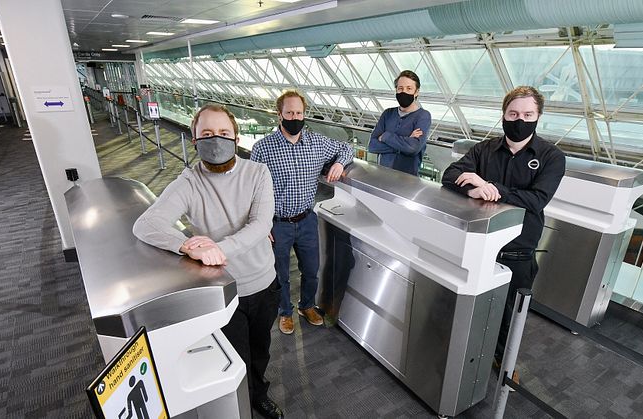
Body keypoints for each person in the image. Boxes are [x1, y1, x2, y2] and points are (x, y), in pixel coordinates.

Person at [132, 104, 284, 419]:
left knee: (260, 350)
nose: (216, 140)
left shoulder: (257, 173)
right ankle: (241, 405)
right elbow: (146, 225)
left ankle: (258, 394)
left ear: (236, 136)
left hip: (264, 283)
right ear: (195, 139)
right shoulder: (188, 183)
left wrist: (218, 247)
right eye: (207, 134)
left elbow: (260, 225)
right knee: (235, 356)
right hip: (223, 292)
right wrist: (187, 246)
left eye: (224, 133)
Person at [441, 86, 566, 372]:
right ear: (503, 115)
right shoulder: (483, 149)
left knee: (510, 314)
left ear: (538, 117)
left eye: (527, 114)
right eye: (513, 113)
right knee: (473, 305)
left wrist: (494, 189)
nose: (519, 120)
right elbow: (450, 176)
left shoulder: (551, 157)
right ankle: (466, 356)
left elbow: (537, 199)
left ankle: (504, 362)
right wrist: (472, 188)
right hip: (477, 244)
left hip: (518, 250)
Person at [251, 90, 353, 335]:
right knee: (280, 274)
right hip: (277, 224)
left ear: (304, 114)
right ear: (279, 115)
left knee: (311, 270)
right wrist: (260, 226)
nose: (294, 117)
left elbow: (346, 147)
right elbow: (251, 191)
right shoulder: (263, 148)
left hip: (307, 219)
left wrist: (339, 163)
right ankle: (284, 312)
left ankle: (306, 306)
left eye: (298, 112)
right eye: (289, 113)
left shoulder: (317, 143)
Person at [368, 70, 432, 176]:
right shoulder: (388, 113)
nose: (404, 92)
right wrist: (404, 143)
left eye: (409, 88)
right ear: (396, 90)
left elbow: (413, 148)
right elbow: (372, 146)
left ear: (416, 92)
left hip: (407, 181)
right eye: (400, 88)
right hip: (382, 176)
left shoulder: (423, 116)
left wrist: (385, 137)